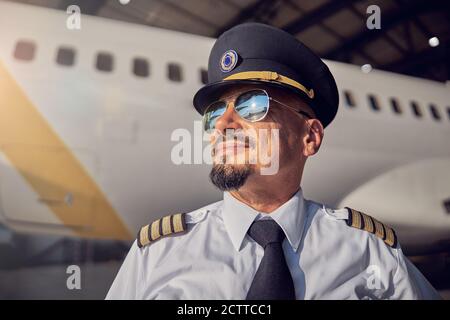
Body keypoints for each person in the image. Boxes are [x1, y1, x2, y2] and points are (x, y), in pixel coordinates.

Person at [106, 22, 440, 300]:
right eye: (215, 113)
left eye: (252, 105)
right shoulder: (156, 254)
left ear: (310, 137)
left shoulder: (370, 251)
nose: (223, 125)